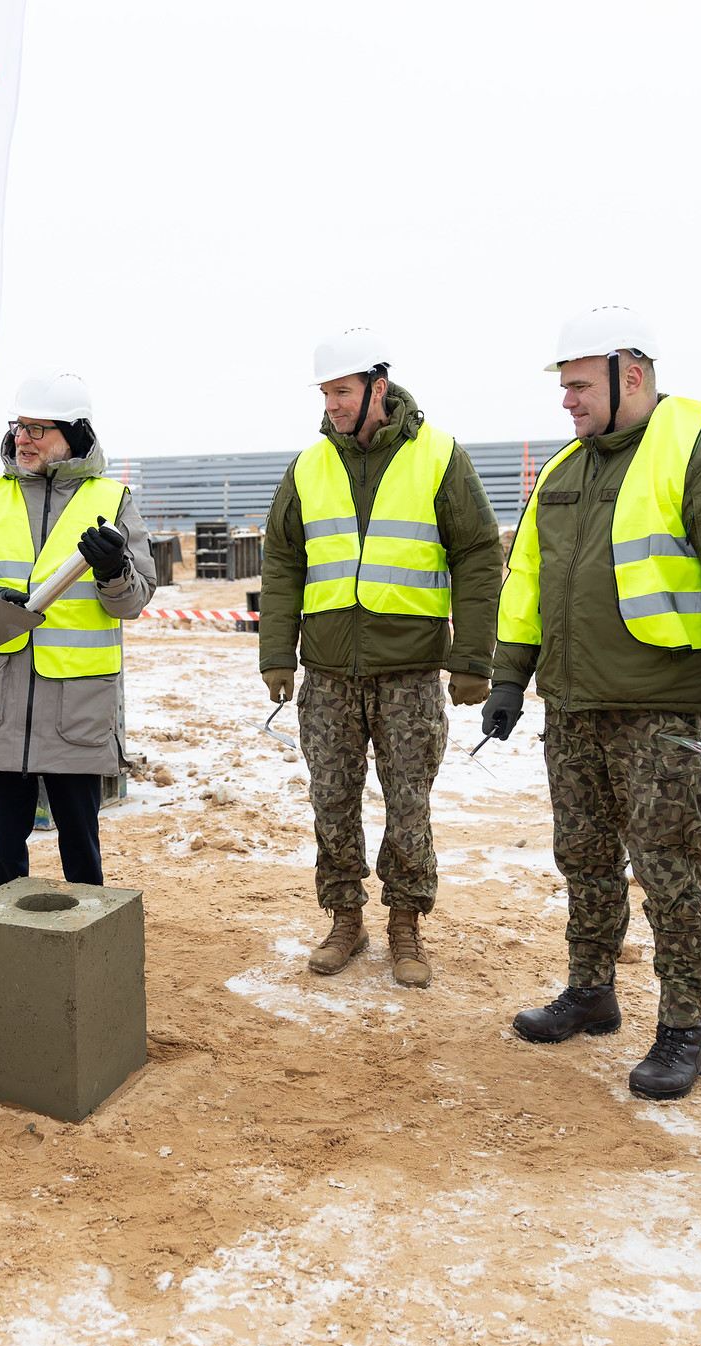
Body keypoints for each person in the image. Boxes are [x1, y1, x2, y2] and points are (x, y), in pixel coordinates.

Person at [488, 305, 701, 1098]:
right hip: (575, 705)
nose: (568, 401)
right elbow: (527, 584)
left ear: (633, 374)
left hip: (669, 714)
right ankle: (591, 991)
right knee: (583, 857)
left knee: (668, 867)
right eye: (564, 387)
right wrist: (510, 678)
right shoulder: (564, 471)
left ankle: (684, 1027)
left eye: (580, 385)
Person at [258, 328, 504, 989]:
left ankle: (404, 921)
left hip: (412, 671)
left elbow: (479, 552)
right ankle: (345, 916)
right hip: (329, 672)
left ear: (378, 387)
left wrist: (474, 656)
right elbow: (282, 559)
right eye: (327, 393)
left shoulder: (439, 456)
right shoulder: (310, 466)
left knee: (408, 802)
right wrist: (277, 650)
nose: (333, 404)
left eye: (343, 391)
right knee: (332, 799)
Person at [0, 371, 155, 888]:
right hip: (1, 699)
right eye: (19, 427)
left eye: (38, 428)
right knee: (4, 847)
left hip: (75, 704)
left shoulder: (113, 500)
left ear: (73, 435)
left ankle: (91, 949)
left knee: (81, 843)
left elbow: (135, 598)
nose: (23, 439)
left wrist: (112, 572)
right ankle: (5, 943)